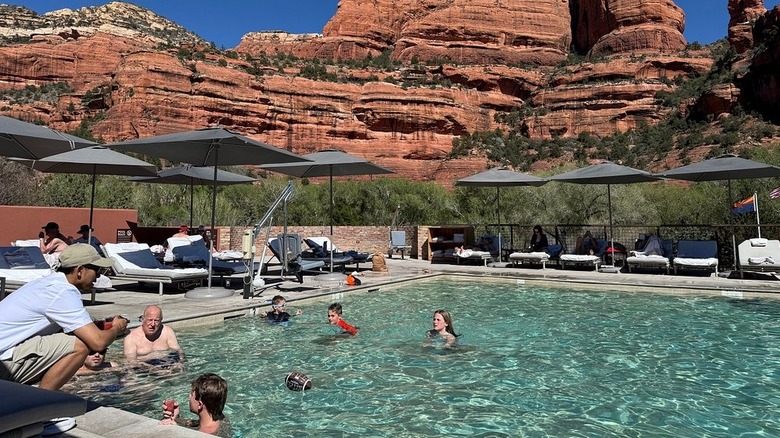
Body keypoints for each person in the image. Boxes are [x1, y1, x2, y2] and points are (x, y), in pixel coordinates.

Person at [160, 373, 232, 437]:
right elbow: (194, 424)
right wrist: (176, 418)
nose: (189, 397)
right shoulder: (221, 419)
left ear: (200, 405)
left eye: (191, 395)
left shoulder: (202, 435)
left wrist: (176, 431)